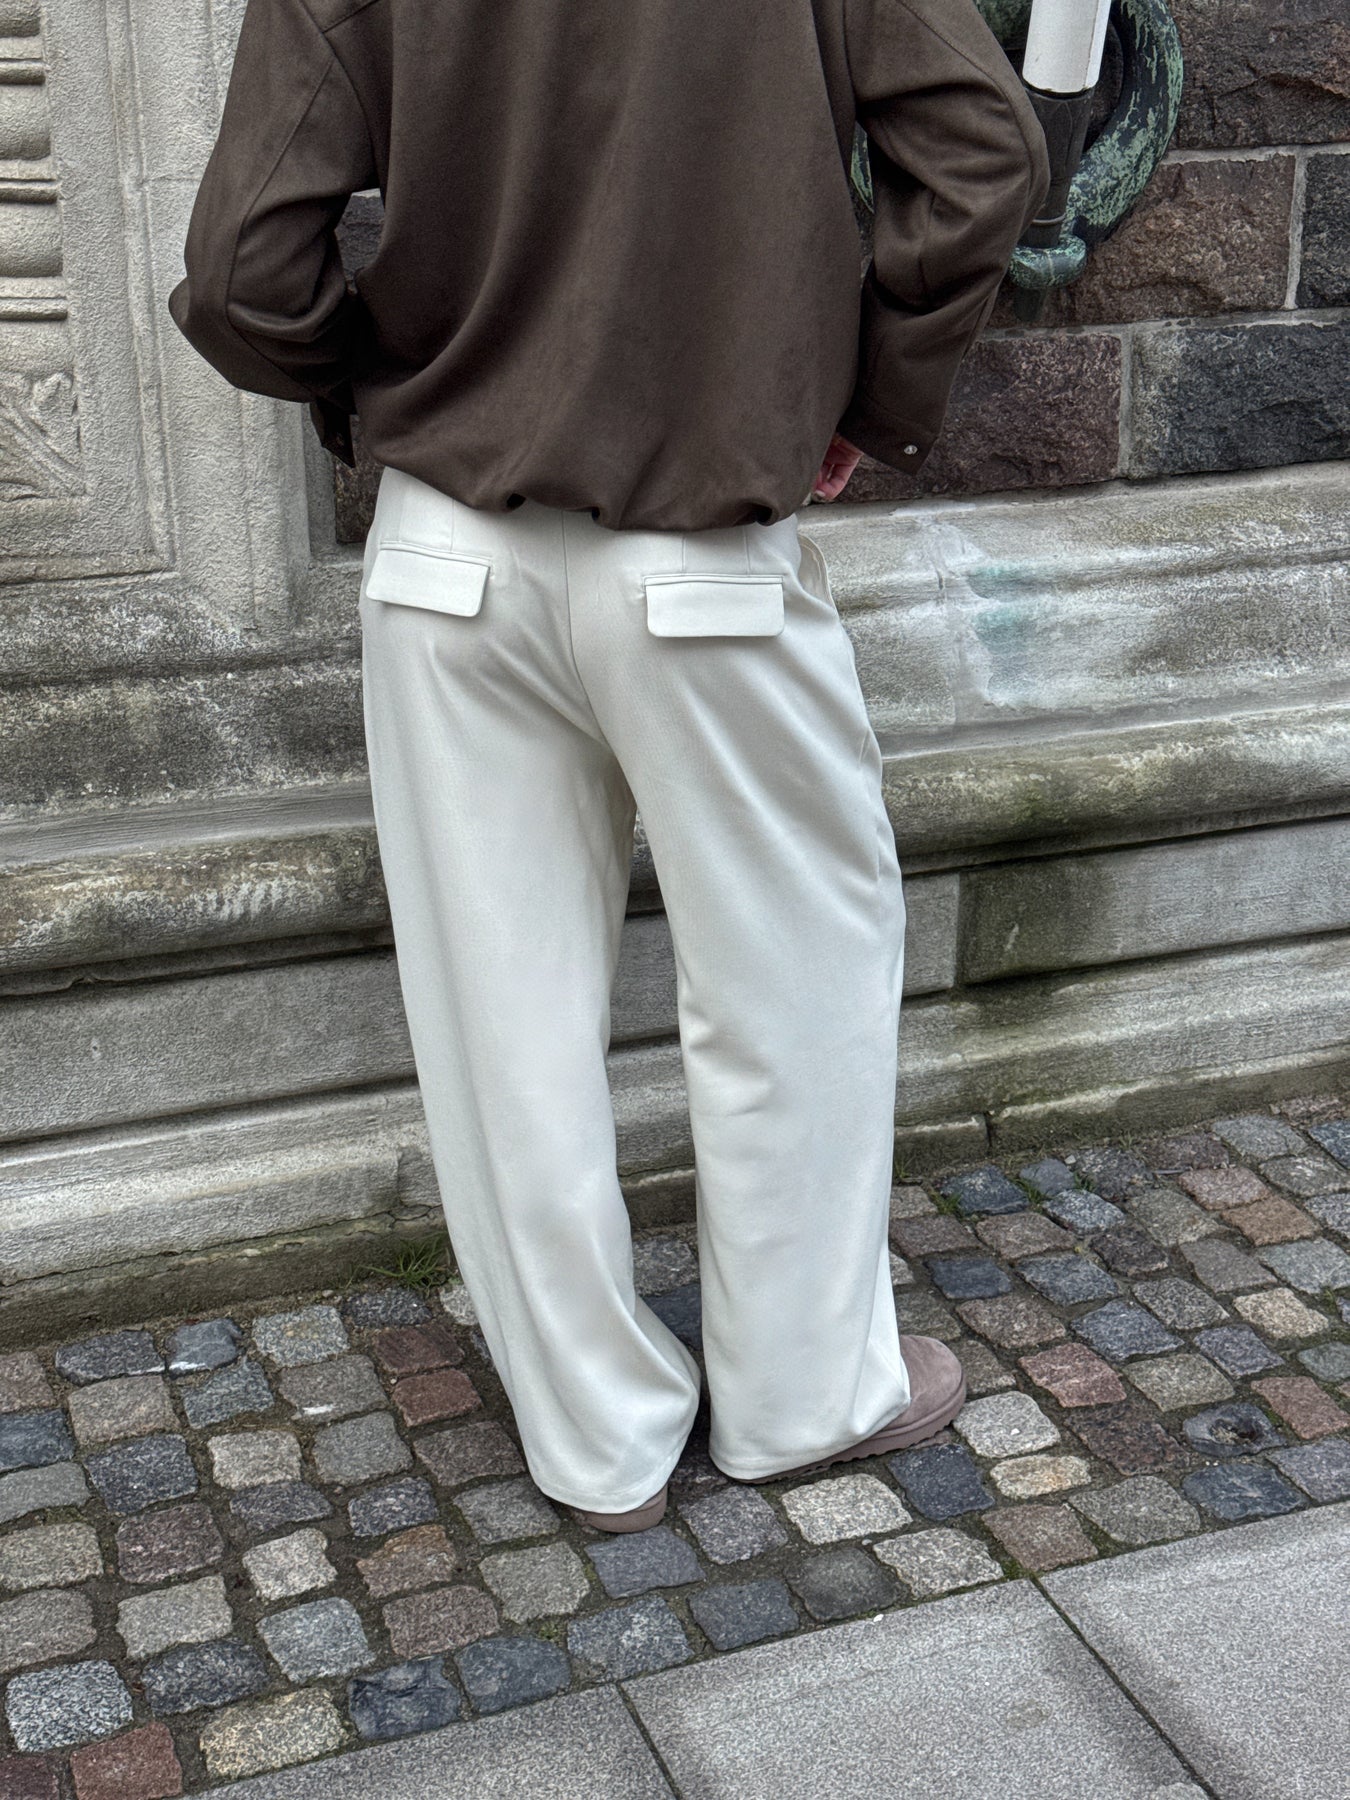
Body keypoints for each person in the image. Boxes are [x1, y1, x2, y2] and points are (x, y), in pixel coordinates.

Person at [169, 0, 1050, 1532]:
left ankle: (593, 1440)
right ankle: (805, 1395)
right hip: (699, 540)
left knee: (497, 1017)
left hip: (447, 556)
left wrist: (408, 386)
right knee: (797, 977)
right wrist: (861, 396)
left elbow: (245, 269)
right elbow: (979, 154)